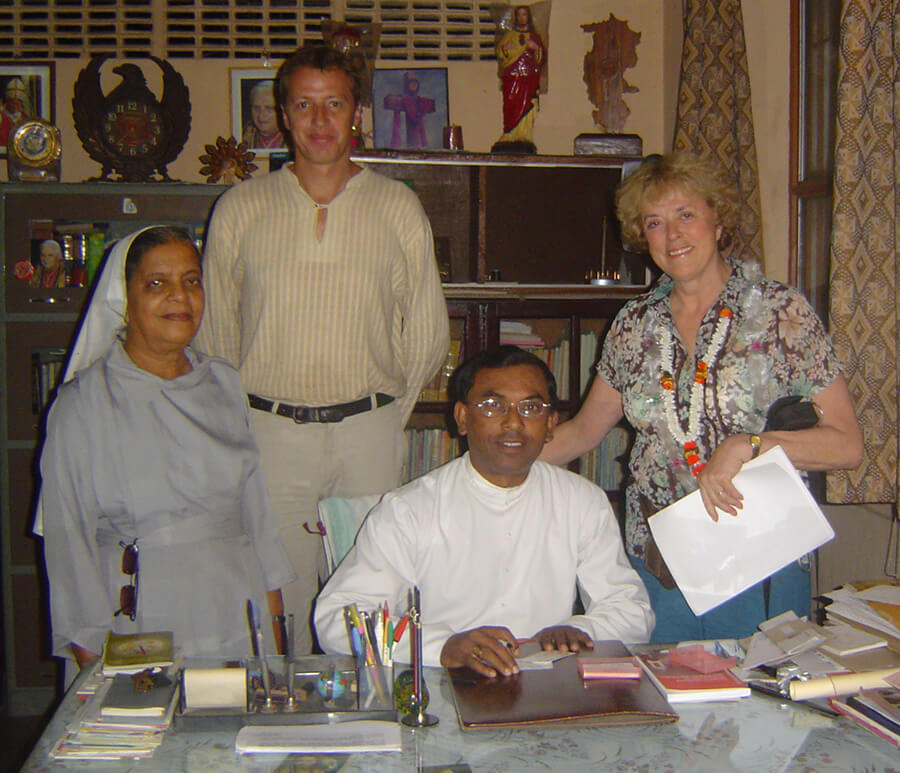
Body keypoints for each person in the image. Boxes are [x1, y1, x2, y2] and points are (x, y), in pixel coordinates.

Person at [541, 152, 864, 643]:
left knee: (756, 711)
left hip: (760, 561)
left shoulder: (779, 311)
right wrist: (497, 464)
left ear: (717, 219)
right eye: (655, 223)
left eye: (685, 215)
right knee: (661, 705)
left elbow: (846, 445)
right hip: (660, 566)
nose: (672, 236)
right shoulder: (633, 325)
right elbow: (585, 431)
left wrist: (750, 445)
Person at [196, 44, 450, 654]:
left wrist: (388, 415)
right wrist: (245, 417)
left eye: (332, 104)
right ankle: (286, 729)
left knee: (371, 593)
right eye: (304, 105)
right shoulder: (240, 208)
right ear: (283, 114)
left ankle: (371, 733)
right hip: (269, 434)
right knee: (272, 595)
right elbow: (215, 333)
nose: (318, 121)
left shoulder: (396, 207)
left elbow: (427, 332)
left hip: (367, 432)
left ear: (355, 112)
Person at [38, 226, 295, 670]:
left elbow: (257, 520)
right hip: (141, 615)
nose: (180, 296)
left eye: (191, 281)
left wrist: (274, 636)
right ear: (125, 299)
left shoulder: (225, 383)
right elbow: (68, 545)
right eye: (157, 284)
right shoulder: (83, 403)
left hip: (235, 604)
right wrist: (90, 661)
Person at [314, 346, 653, 676]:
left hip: (549, 686)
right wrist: (442, 646)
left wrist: (584, 629)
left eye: (531, 408)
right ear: (463, 418)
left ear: (550, 423)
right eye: (492, 406)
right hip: (441, 683)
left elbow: (633, 611)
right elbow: (338, 622)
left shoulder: (582, 501)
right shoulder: (409, 510)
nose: (513, 423)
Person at [494, 4, 546, 152]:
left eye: (524, 15)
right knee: (511, 104)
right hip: (512, 78)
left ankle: (524, 135)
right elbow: (501, 55)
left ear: (528, 17)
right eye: (519, 15)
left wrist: (536, 48)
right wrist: (505, 49)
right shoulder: (508, 37)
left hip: (529, 79)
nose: (522, 18)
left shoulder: (535, 37)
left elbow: (541, 59)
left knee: (527, 105)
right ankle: (510, 133)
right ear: (515, 18)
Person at [241, 79, 284, 150]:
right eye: (256, 108)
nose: (261, 115)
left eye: (269, 108)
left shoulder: (294, 138)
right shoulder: (243, 135)